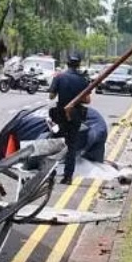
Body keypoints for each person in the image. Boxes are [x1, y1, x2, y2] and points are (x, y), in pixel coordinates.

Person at [47, 51, 90, 184]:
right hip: (75, 115)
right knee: (71, 145)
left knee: (55, 143)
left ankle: (50, 173)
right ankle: (68, 176)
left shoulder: (59, 77)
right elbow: (87, 100)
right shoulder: (83, 80)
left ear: (67, 64)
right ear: (78, 65)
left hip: (60, 115)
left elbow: (51, 96)